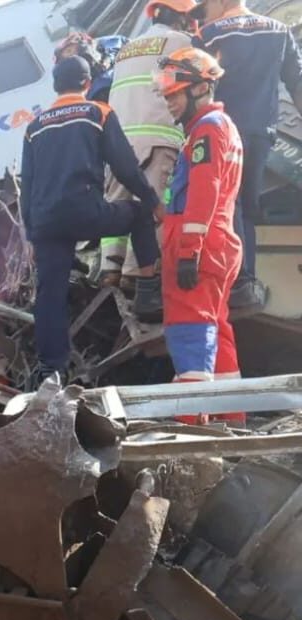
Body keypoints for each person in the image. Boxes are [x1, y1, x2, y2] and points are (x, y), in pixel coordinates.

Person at [21, 56, 163, 385]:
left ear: (56, 86)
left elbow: (27, 184)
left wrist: (32, 234)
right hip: (86, 212)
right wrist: (152, 200)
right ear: (87, 83)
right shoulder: (98, 112)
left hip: (46, 223)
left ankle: (50, 369)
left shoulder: (35, 126)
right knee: (138, 214)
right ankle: (149, 292)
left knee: (49, 295)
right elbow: (125, 165)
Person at [155, 48, 247, 426]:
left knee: (190, 330)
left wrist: (188, 250)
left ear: (198, 89)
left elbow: (204, 190)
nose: (170, 103)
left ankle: (191, 426)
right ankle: (233, 417)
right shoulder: (217, 128)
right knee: (216, 330)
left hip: (201, 244)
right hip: (218, 242)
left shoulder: (208, 129)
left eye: (175, 94)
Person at [195, 0, 302, 308]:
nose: (205, 10)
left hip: (222, 131)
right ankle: (248, 280)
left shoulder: (209, 35)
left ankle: (238, 280)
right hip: (261, 133)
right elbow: (296, 84)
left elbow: (196, 87)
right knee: (247, 208)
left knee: (228, 204)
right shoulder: (279, 31)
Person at [99, 0, 197, 288]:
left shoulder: (126, 48)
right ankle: (136, 272)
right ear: (182, 18)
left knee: (117, 202)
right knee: (154, 204)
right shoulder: (181, 41)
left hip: (118, 140)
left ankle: (109, 266)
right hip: (157, 135)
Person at [55, 32, 113, 102]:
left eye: (69, 51)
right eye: (65, 60)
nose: (71, 58)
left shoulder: (113, 47)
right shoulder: (88, 95)